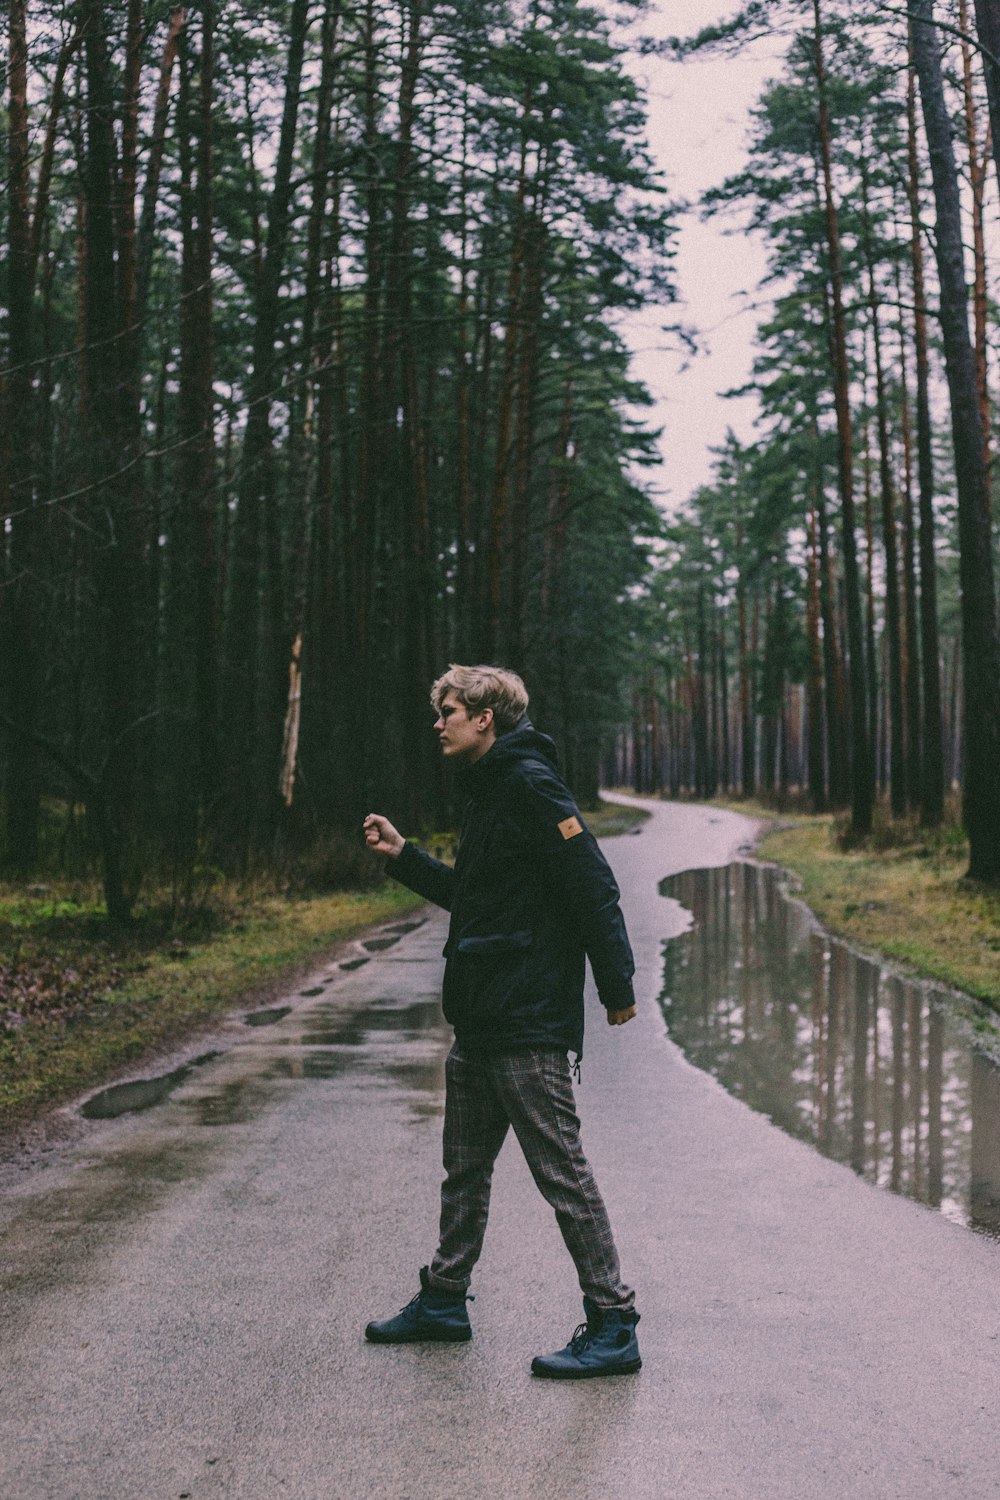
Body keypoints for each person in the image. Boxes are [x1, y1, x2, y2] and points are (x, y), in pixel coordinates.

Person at [361, 664, 640, 1380]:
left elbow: (593, 885)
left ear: (485, 717)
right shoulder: (489, 792)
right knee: (464, 1170)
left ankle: (614, 1322)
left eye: (448, 709)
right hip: (482, 1016)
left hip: (526, 1016)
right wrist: (405, 859)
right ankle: (445, 1300)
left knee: (562, 1173)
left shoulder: (529, 785)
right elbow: (475, 898)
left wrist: (616, 984)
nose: (439, 722)